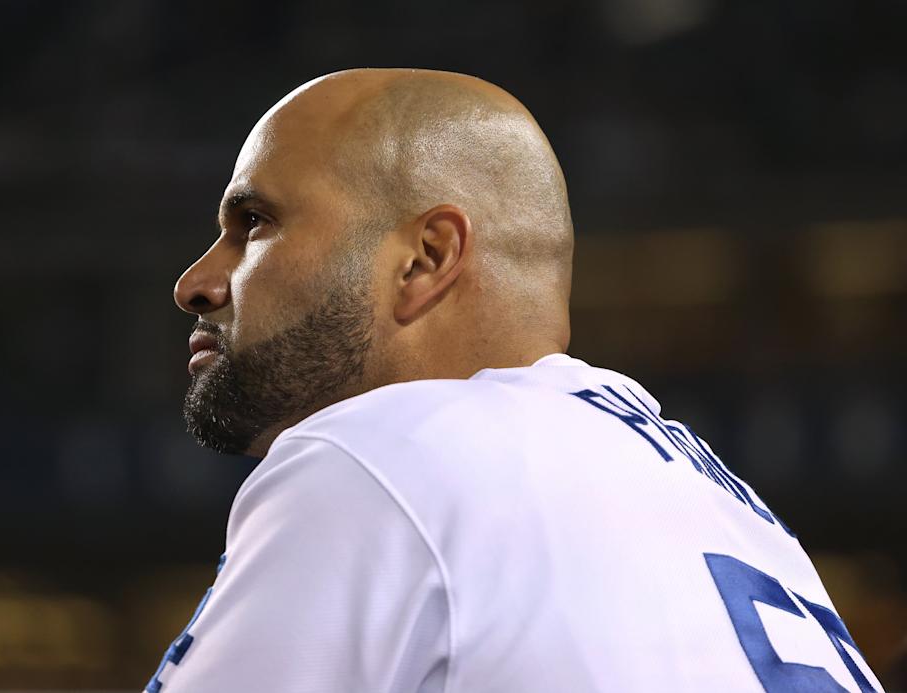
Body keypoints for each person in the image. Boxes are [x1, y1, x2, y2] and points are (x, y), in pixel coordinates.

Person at [147, 68, 885, 692]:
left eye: (254, 223)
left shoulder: (378, 454)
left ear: (426, 258)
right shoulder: (730, 506)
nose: (197, 282)